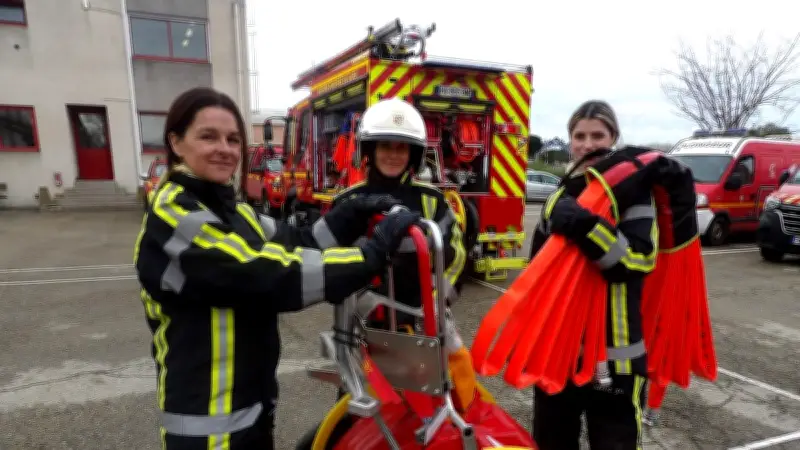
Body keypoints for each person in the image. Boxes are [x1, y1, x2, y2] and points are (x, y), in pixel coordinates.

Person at [133, 87, 420, 450]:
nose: (224, 148)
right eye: (208, 136)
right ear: (176, 142)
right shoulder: (175, 215)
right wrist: (371, 255)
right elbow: (266, 274)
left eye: (233, 139)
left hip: (250, 413)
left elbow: (299, 241)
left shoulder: (233, 212)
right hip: (205, 429)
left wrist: (351, 214)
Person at [313, 97, 469, 403]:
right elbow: (326, 261)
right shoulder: (347, 202)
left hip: (419, 332)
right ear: (369, 151)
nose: (393, 155)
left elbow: (456, 257)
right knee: (359, 414)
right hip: (360, 330)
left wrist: (433, 306)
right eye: (385, 146)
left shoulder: (432, 201)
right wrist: (360, 301)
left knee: (421, 412)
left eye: (401, 148)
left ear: (414, 155)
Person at [528, 100, 657, 450]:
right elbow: (536, 275)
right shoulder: (557, 198)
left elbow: (635, 262)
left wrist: (588, 226)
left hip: (616, 356)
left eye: (597, 135)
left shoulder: (634, 195)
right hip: (559, 352)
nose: (587, 144)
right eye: (579, 136)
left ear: (613, 138)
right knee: (551, 441)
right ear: (570, 141)